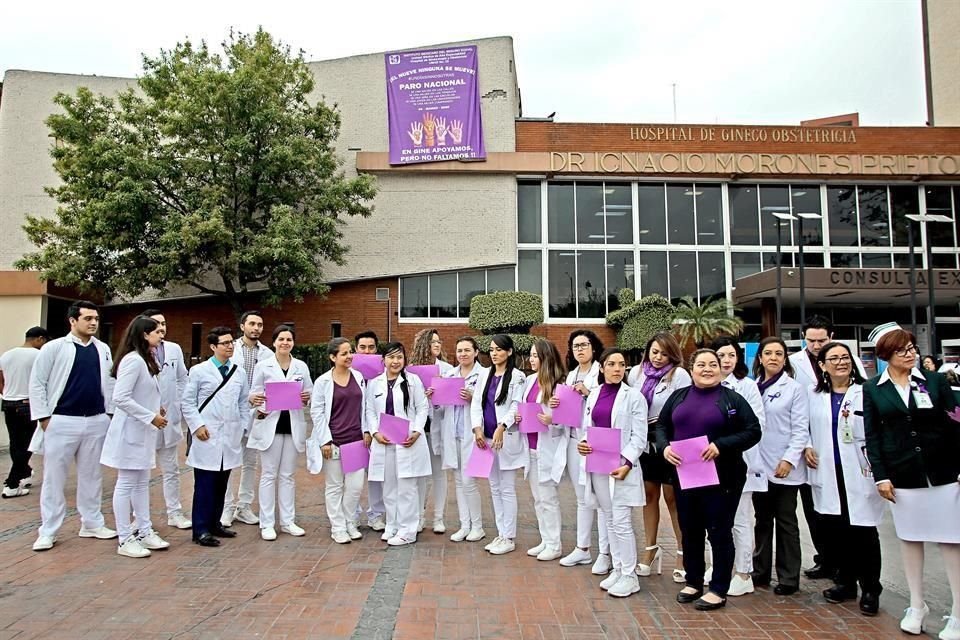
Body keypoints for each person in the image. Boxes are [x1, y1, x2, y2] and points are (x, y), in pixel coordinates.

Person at [863, 323, 960, 639]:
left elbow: (954, 424)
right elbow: (873, 436)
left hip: (942, 473)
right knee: (910, 539)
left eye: (911, 348)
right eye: (902, 350)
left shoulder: (934, 382)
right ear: (886, 355)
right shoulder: (874, 388)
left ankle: (958, 611)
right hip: (902, 475)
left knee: (950, 542)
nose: (910, 354)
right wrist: (882, 476)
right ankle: (917, 605)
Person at [658, 349, 762, 610]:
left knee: (718, 531)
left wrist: (721, 445)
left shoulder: (731, 400)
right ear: (691, 369)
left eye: (713, 364)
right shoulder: (679, 396)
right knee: (690, 529)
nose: (707, 369)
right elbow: (661, 426)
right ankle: (693, 581)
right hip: (685, 474)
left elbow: (753, 431)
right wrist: (665, 448)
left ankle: (718, 588)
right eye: (701, 364)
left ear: (720, 368)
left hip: (722, 477)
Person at [29, 300, 117, 552]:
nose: (93, 323)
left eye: (96, 319)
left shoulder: (102, 349)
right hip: (61, 420)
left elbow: (108, 383)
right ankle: (48, 530)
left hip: (96, 419)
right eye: (88, 318)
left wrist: (109, 413)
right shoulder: (55, 348)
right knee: (54, 477)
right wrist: (44, 417)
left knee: (92, 475)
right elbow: (38, 383)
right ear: (72, 321)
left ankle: (91, 522)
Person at [805, 341, 884, 616]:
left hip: (859, 472)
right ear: (823, 366)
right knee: (835, 530)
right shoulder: (813, 395)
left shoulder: (867, 393)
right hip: (827, 470)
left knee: (863, 532)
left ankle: (871, 587)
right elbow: (803, 426)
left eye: (844, 357)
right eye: (833, 358)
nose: (840, 362)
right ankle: (846, 582)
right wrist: (805, 446)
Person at [789, 315, 864, 581]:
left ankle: (845, 565)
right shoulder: (794, 364)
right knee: (815, 508)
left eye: (822, 340)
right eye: (811, 340)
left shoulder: (844, 361)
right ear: (803, 339)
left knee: (845, 510)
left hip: (845, 449)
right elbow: (797, 409)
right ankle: (825, 558)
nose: (817, 344)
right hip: (811, 445)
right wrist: (805, 444)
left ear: (830, 337)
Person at [577, 348, 646, 597]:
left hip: (620, 468)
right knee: (608, 519)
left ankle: (630, 575)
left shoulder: (634, 397)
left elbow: (640, 437)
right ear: (603, 367)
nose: (617, 369)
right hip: (598, 463)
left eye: (621, 365)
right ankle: (617, 569)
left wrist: (627, 462)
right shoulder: (594, 394)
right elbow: (589, 427)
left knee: (621, 522)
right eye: (612, 364)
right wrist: (583, 443)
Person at [100, 316, 171, 558]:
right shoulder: (132, 360)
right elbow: (120, 397)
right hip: (131, 432)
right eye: (156, 331)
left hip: (143, 432)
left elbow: (144, 393)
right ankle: (124, 538)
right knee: (126, 484)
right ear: (144, 334)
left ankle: (144, 529)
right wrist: (149, 416)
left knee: (141, 483)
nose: (161, 335)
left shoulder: (146, 360)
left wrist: (156, 408)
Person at [628, 332, 692, 581]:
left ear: (672, 354)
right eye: (654, 352)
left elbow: (684, 410)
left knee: (673, 497)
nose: (658, 357)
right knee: (649, 495)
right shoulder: (636, 373)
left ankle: (683, 552)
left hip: (671, 442)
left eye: (664, 353)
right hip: (644, 442)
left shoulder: (679, 375)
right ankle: (650, 550)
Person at [182, 327, 250, 547]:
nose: (230, 346)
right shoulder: (199, 371)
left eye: (231, 342)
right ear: (213, 347)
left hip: (229, 435)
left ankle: (215, 523)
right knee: (205, 484)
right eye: (225, 343)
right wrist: (197, 425)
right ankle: (200, 528)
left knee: (222, 482)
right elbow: (188, 402)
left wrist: (242, 426)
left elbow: (243, 402)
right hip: (207, 435)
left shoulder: (238, 372)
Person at [752, 337, 809, 596]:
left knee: (786, 521)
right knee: (762, 520)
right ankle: (760, 572)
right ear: (760, 358)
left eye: (779, 353)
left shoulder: (794, 389)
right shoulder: (753, 387)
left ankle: (788, 577)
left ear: (785, 359)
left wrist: (789, 459)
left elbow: (800, 428)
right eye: (768, 353)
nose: (773, 358)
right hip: (759, 466)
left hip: (785, 465)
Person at [711, 335, 766, 597]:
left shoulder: (746, 387)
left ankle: (743, 573)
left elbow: (757, 426)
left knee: (740, 519)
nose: (725, 361)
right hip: (709, 464)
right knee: (715, 518)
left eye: (731, 355)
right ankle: (719, 566)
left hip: (739, 462)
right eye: (720, 355)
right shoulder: (705, 385)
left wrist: (726, 441)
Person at [248, 325, 314, 541]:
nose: (285, 343)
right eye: (281, 339)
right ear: (274, 342)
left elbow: (310, 392)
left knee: (288, 475)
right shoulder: (263, 365)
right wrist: (258, 400)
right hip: (270, 424)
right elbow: (254, 393)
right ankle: (267, 523)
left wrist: (306, 397)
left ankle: (287, 521)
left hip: (292, 424)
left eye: (289, 339)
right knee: (268, 474)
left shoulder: (301, 366)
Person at [365, 342, 430, 546]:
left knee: (407, 487)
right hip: (384, 441)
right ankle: (392, 524)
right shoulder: (374, 383)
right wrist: (375, 432)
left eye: (399, 357)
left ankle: (408, 530)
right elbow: (369, 410)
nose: (395, 361)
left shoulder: (413, 381)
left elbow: (422, 408)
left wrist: (417, 431)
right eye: (391, 357)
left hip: (407, 440)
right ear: (383, 359)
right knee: (389, 486)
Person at [557, 330, 610, 574]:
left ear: (594, 347)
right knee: (582, 498)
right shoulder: (571, 375)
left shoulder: (602, 371)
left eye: (584, 345)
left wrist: (589, 394)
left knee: (601, 499)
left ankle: (606, 553)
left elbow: (609, 403)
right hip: (573, 441)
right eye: (575, 345)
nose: (579, 349)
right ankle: (583, 548)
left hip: (596, 442)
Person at [470, 334, 526, 556]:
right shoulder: (485, 375)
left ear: (509, 352)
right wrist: (477, 429)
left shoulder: (518, 377)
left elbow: (516, 405)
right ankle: (501, 533)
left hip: (505, 438)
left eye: (499, 350)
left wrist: (502, 426)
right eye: (491, 350)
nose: (494, 353)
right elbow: (476, 404)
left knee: (507, 488)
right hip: (486, 438)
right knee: (494, 487)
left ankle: (509, 536)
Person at [310, 337, 369, 543]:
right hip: (334, 441)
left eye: (350, 352)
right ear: (332, 357)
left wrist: (367, 431)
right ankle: (338, 527)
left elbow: (366, 406)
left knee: (355, 487)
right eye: (344, 353)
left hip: (356, 441)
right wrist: (324, 440)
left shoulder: (359, 376)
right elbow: (316, 412)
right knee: (335, 486)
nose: (349, 356)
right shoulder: (323, 381)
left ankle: (349, 521)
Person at [221, 310, 272, 528]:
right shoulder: (230, 350)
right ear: (242, 326)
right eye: (252, 323)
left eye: (260, 324)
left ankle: (244, 505)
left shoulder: (268, 354)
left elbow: (272, 386)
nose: (256, 328)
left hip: (256, 414)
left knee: (251, 462)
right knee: (229, 462)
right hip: (232, 413)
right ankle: (226, 507)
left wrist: (264, 406)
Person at [141, 309, 191, 530]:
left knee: (171, 470)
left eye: (164, 324)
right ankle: (139, 517)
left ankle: (175, 512)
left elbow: (182, 378)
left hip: (169, 418)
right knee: (141, 471)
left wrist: (177, 405)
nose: (161, 328)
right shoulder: (136, 353)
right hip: (146, 420)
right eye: (156, 324)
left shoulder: (173, 349)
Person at [518, 338, 566, 561]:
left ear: (546, 357)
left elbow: (568, 418)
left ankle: (554, 544)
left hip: (547, 446)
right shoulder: (529, 380)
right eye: (531, 355)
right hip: (531, 446)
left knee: (548, 497)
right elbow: (522, 405)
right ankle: (545, 539)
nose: (531, 359)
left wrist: (552, 420)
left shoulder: (557, 384)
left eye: (535, 355)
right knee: (538, 498)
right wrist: (519, 415)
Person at [437, 336, 487, 543]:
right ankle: (464, 525)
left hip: (473, 434)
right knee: (458, 480)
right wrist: (435, 396)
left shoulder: (484, 374)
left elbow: (490, 403)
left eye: (467, 350)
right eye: (459, 350)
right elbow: (440, 408)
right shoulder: (449, 374)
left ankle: (478, 526)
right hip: (453, 434)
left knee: (469, 481)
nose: (463, 354)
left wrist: (473, 397)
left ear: (476, 352)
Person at [410, 328, 453, 534]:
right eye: (433, 342)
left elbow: (451, 402)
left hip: (438, 425)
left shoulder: (447, 369)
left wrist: (436, 398)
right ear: (423, 345)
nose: (437, 345)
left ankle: (438, 518)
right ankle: (418, 517)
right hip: (418, 429)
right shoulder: (410, 371)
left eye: (439, 341)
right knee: (420, 476)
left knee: (438, 474)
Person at [0, 326, 48, 498]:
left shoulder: (7, 354)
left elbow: (1, 378)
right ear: (40, 339)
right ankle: (12, 483)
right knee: (28, 444)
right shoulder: (39, 355)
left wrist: (6, 393)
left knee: (15, 442)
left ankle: (25, 473)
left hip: (8, 403)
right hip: (28, 403)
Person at [355, 330, 386, 532]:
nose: (367, 352)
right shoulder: (347, 372)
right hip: (352, 432)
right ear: (356, 349)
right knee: (354, 476)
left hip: (378, 432)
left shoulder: (384, 374)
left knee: (376, 476)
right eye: (362, 348)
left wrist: (371, 430)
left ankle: (376, 515)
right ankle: (353, 514)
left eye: (371, 347)